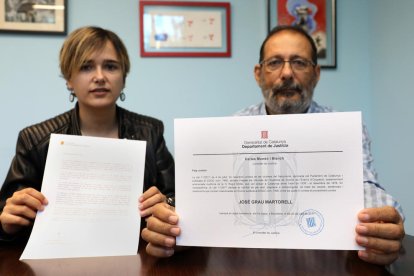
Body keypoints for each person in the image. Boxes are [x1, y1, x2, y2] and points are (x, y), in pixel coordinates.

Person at [142, 25, 405, 266]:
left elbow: (366, 186)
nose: (287, 73)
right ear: (259, 74)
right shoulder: (230, 129)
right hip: (247, 265)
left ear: (316, 74)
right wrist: (174, 224)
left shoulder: (344, 130)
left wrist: (385, 221)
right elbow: (202, 203)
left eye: (299, 63)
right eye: (275, 62)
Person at [0, 26, 174, 243]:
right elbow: (6, 216)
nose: (99, 77)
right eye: (86, 67)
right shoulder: (35, 139)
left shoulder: (151, 132)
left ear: (124, 77)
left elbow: (177, 199)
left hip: (139, 256)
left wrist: (167, 205)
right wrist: (7, 224)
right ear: (69, 80)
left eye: (110, 66)